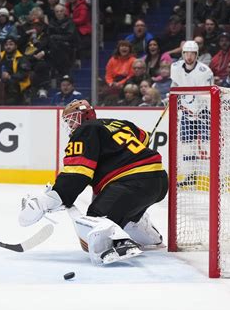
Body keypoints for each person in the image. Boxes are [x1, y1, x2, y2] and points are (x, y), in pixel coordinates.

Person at [18, 100, 168, 265]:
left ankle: (120, 244)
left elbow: (77, 174)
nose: (69, 124)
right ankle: (143, 231)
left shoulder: (84, 131)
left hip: (131, 184)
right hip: (158, 181)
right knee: (115, 206)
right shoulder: (119, 123)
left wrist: (53, 198)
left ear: (83, 115)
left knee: (95, 221)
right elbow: (144, 138)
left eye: (71, 119)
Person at [171, 40, 214, 188]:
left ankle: (210, 177)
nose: (189, 56)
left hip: (204, 113)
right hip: (186, 112)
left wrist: (201, 110)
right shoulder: (175, 67)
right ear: (182, 54)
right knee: (187, 145)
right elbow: (175, 86)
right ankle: (189, 176)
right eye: (186, 53)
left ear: (197, 55)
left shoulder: (205, 71)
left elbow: (208, 94)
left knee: (207, 145)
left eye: (192, 53)